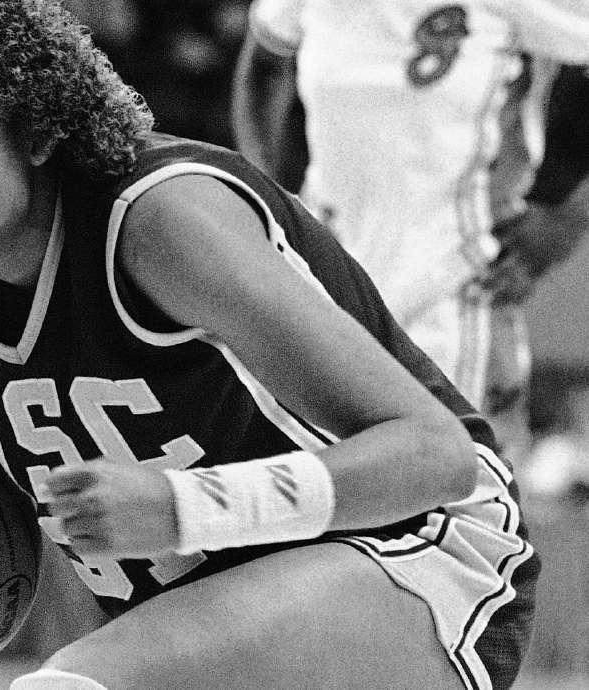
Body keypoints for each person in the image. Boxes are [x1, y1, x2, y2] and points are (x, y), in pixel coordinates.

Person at [0, 1, 539, 689]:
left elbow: (437, 457)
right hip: (218, 618)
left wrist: (185, 508)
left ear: (37, 132)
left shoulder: (160, 223)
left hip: (422, 558)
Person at [231, 0, 589, 462]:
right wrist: (269, 195)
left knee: (465, 498)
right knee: (328, 495)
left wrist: (566, 221)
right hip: (327, 267)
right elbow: (264, 63)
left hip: (458, 277)